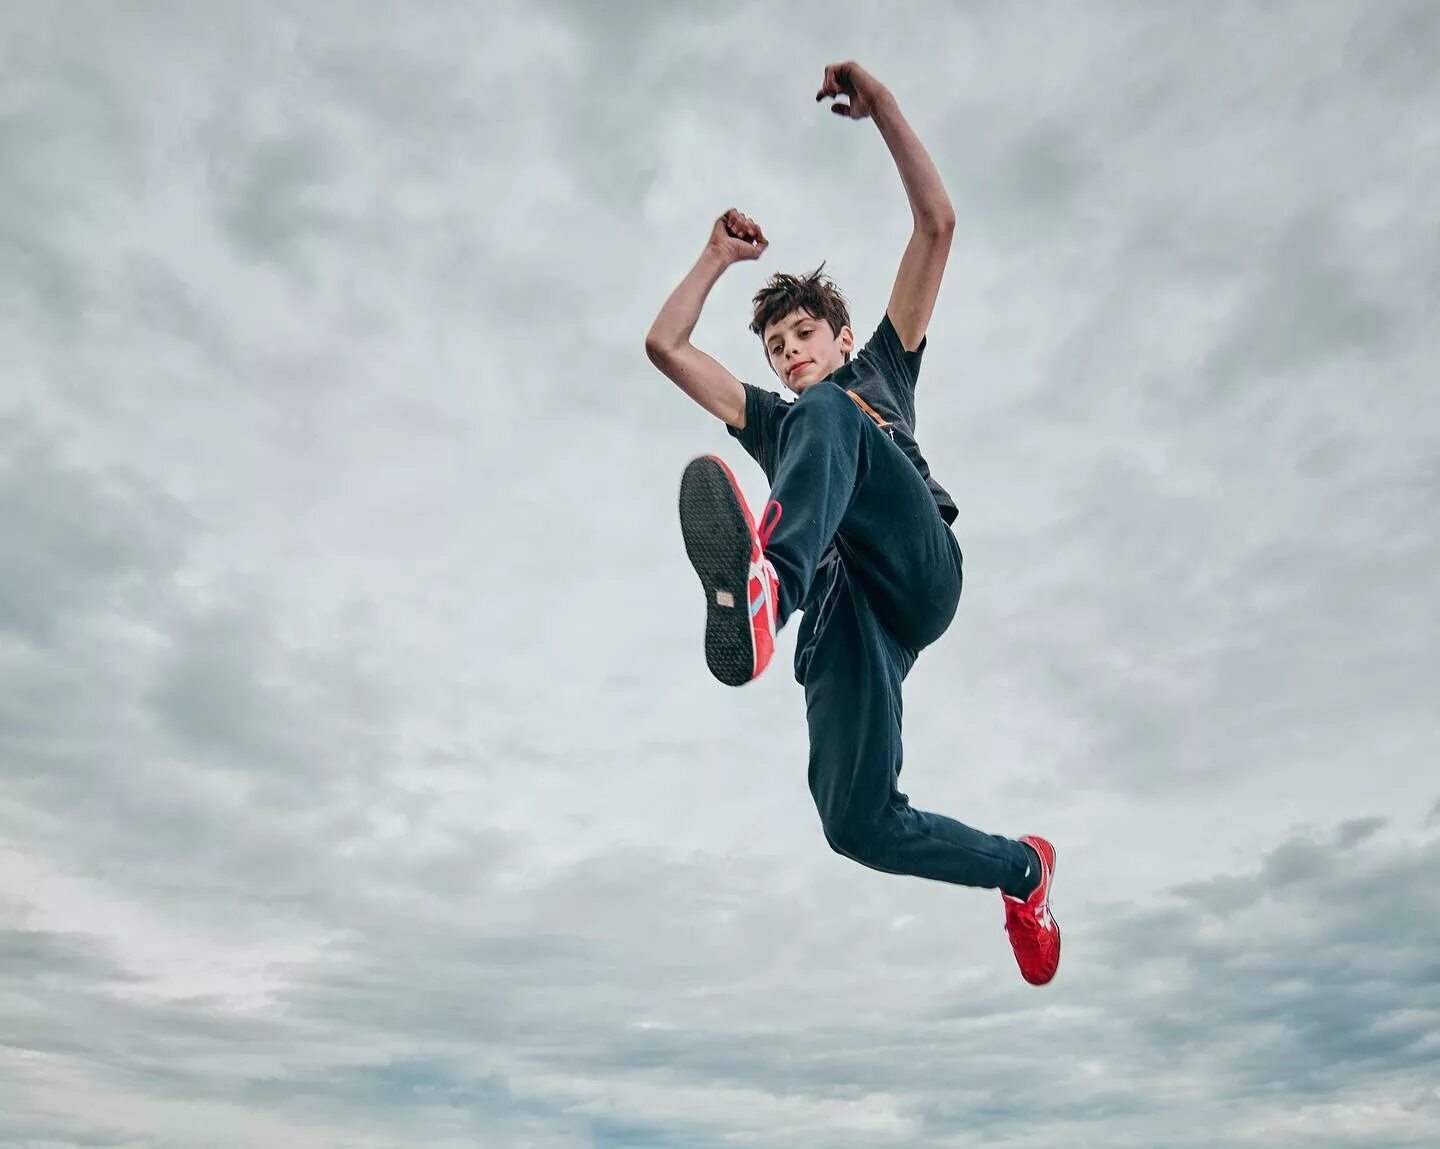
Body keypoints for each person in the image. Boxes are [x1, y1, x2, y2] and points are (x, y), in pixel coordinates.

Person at [643, 61, 1060, 986]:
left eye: (802, 338)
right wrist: (714, 257)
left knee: (828, 414)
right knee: (855, 822)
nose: (790, 355)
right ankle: (1023, 871)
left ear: (837, 335)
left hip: (915, 570)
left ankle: (768, 589)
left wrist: (886, 112)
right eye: (776, 348)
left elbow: (937, 226)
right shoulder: (771, 418)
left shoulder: (877, 371)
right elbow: (665, 347)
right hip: (850, 626)